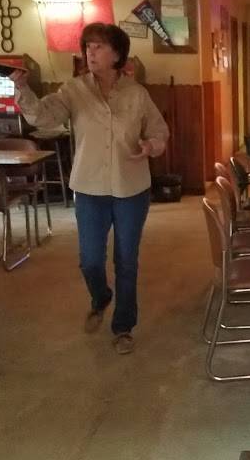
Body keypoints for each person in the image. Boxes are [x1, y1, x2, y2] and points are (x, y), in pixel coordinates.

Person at [11, 23, 169, 354]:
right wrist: (23, 89)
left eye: (98, 47)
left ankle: (123, 326)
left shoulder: (137, 94)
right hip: (89, 188)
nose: (90, 53)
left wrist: (150, 146)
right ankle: (101, 297)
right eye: (88, 47)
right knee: (90, 260)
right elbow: (43, 117)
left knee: (127, 260)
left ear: (117, 54)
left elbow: (159, 132)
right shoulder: (73, 90)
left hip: (131, 188)